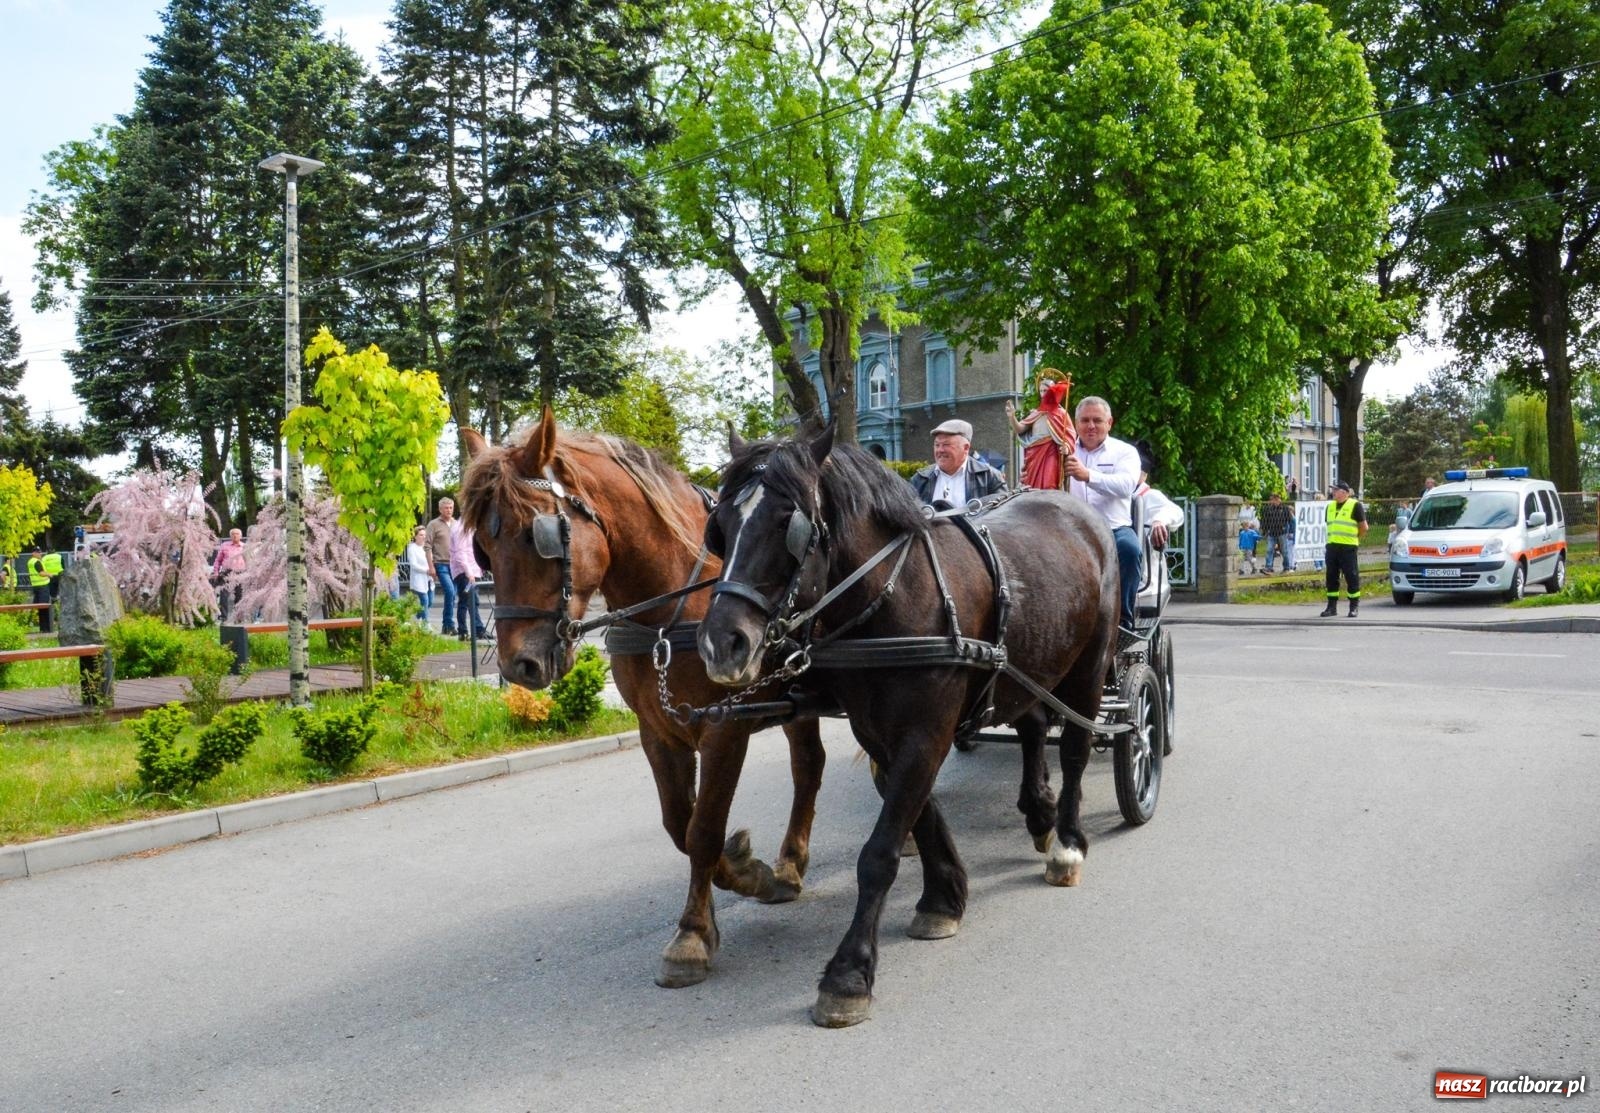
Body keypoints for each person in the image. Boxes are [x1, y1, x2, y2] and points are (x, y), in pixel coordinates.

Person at [1064, 396, 1143, 629]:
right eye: (1085, 420)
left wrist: (1088, 475)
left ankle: (1124, 620)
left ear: (1110, 422)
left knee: (1130, 550)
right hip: (1070, 530)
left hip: (1113, 529)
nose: (1091, 426)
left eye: (1097, 420)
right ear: (1076, 423)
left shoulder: (1124, 452)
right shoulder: (1063, 450)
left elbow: (1126, 485)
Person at [909, 419, 1007, 507]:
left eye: (946, 445)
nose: (940, 450)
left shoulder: (988, 477)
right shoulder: (920, 480)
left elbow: (1002, 516)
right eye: (937, 445)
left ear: (966, 448)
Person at [1004, 369, 1075, 490]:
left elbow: (1070, 434)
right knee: (1031, 485)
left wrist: (1067, 447)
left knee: (1049, 482)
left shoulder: (1061, 413)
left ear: (1053, 391)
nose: (1043, 393)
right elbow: (1020, 429)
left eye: (1046, 390)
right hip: (1035, 451)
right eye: (1041, 391)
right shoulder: (1037, 413)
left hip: (1051, 451)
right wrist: (1012, 417)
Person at [1320, 479, 1368, 617]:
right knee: (1331, 577)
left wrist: (1355, 539)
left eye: (1336, 490)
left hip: (1348, 547)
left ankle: (1354, 606)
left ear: (1345, 493)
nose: (1333, 492)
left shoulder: (1355, 505)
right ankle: (1331, 607)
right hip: (1332, 547)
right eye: (1333, 490)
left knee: (1351, 576)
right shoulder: (1330, 507)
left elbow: (1364, 527)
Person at [425, 496, 459, 635]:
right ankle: (449, 624)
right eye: (446, 508)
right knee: (450, 592)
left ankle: (446, 625)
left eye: (451, 508)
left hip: (455, 565)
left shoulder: (456, 523)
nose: (449, 510)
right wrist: (431, 566)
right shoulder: (433, 524)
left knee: (453, 594)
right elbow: (427, 546)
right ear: (440, 509)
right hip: (441, 564)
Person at [449, 521, 488, 641]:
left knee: (469, 601)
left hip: (471, 569)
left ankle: (469, 631)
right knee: (469, 601)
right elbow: (460, 553)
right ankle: (472, 630)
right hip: (465, 571)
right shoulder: (461, 528)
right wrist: (469, 572)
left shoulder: (468, 527)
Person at [211, 527, 247, 622]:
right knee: (224, 595)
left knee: (239, 596)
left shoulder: (245, 547)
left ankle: (238, 618)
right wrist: (216, 572)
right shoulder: (224, 546)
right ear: (230, 536)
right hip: (227, 572)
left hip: (240, 573)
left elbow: (249, 561)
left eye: (237, 534)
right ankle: (224, 617)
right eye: (233, 534)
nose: (235, 535)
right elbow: (218, 561)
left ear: (241, 536)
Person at [405, 526, 434, 621]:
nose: (423, 537)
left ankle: (418, 617)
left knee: (430, 602)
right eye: (421, 535)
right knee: (425, 601)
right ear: (416, 536)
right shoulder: (412, 548)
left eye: (425, 535)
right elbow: (413, 565)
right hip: (419, 578)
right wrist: (426, 570)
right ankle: (426, 624)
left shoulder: (427, 547)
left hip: (429, 579)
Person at [1260, 492, 1294, 574]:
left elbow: (1291, 521)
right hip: (1271, 533)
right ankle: (1268, 567)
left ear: (1278, 500)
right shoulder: (1268, 509)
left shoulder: (1285, 508)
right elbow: (1265, 521)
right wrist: (1265, 531)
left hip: (1282, 532)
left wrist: (1291, 532)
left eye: (1274, 499)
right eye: (1272, 500)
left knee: (1284, 551)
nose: (1272, 501)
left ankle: (1286, 567)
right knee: (1269, 550)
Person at [26, 548, 54, 633]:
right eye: (38, 552)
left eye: (40, 552)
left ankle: (42, 628)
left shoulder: (30, 562)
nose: (40, 554)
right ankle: (46, 629)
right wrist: (50, 574)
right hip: (43, 587)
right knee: (44, 607)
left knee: (39, 607)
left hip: (36, 586)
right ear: (33, 553)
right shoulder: (37, 562)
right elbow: (41, 573)